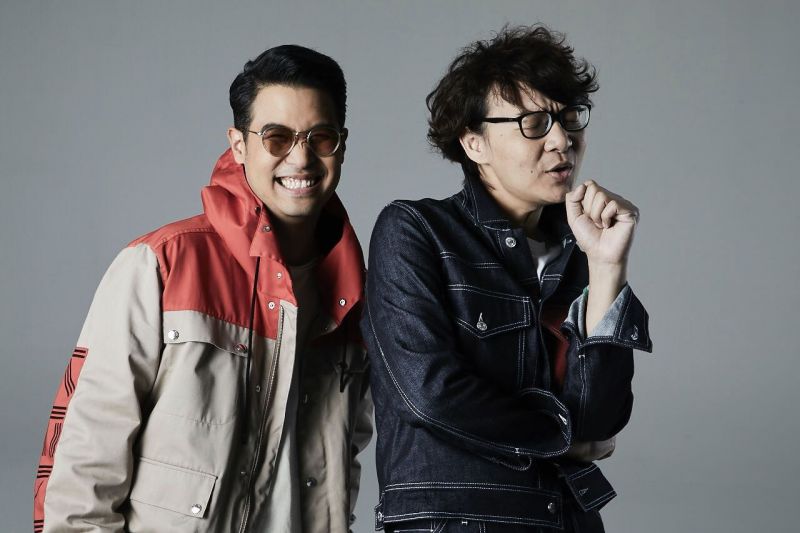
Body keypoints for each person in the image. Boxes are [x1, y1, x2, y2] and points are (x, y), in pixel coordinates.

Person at [34, 44, 372, 533]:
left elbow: (346, 458)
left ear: (341, 146)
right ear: (239, 145)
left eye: (320, 138)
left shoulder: (354, 296)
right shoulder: (162, 264)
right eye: (276, 137)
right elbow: (84, 467)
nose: (300, 158)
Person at [362, 25, 653, 532]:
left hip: (566, 519)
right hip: (460, 520)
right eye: (533, 123)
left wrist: (608, 266)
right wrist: (562, 437)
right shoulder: (417, 231)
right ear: (474, 143)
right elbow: (430, 393)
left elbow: (600, 420)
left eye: (569, 118)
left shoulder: (582, 251)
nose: (562, 140)